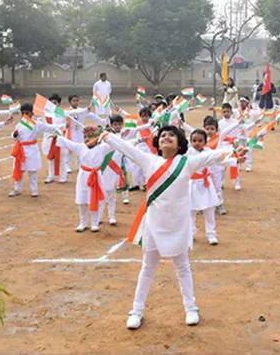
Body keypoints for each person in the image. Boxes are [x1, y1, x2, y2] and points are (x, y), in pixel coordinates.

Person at [96, 124, 247, 330]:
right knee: (147, 268)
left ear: (179, 144)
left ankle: (191, 307)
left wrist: (233, 153)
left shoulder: (186, 163)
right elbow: (126, 148)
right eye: (163, 135)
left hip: (178, 225)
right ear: (157, 143)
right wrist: (105, 135)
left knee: (182, 268)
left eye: (171, 136)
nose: (166, 137)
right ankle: (136, 310)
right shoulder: (149, 160)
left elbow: (213, 156)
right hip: (154, 225)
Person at [54, 127, 114, 232]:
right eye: (85, 137)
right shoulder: (81, 147)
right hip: (83, 176)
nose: (86, 139)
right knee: (82, 200)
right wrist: (57, 135)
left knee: (94, 199)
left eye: (89, 137)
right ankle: (83, 222)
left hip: (96, 176)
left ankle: (94, 223)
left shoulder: (103, 148)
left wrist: (108, 134)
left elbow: (114, 143)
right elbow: (68, 143)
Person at [10, 104, 61, 198]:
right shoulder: (19, 124)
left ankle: (34, 190)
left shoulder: (37, 124)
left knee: (32, 171)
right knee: (19, 170)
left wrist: (63, 125)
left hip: (31, 149)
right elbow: (14, 138)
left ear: (32, 113)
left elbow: (50, 127)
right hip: (20, 150)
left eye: (27, 113)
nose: (25, 115)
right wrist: (15, 134)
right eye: (23, 113)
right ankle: (17, 189)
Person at [63, 95, 104, 173]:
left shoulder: (82, 110)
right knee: (68, 151)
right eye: (73, 101)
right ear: (70, 102)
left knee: (80, 149)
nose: (75, 102)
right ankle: (68, 166)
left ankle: (79, 165)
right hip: (70, 132)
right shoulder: (67, 111)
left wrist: (101, 120)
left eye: (77, 101)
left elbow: (91, 116)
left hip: (80, 133)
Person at [42, 94, 68, 185]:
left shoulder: (62, 114)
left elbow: (65, 126)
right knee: (50, 157)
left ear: (59, 104)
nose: (53, 105)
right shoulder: (45, 114)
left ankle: (63, 176)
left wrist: (57, 133)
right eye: (51, 103)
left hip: (59, 138)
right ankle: (51, 175)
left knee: (61, 158)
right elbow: (41, 125)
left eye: (55, 103)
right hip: (49, 138)